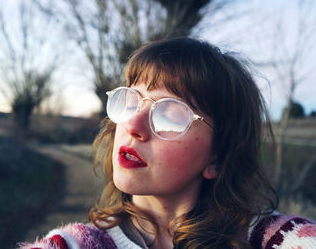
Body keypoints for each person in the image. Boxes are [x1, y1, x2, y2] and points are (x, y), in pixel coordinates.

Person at [18, 38, 316, 249]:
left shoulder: (275, 239)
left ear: (218, 158)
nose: (133, 127)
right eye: (130, 102)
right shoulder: (76, 245)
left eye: (170, 116)